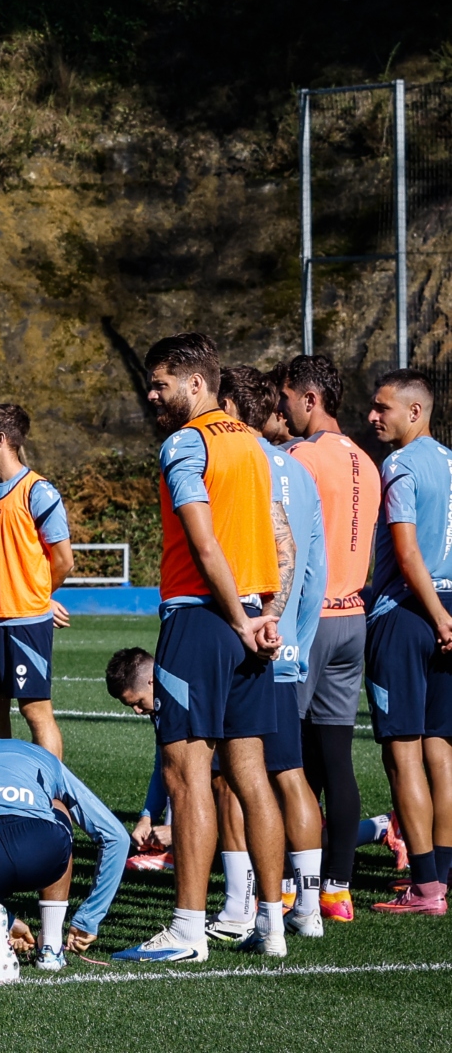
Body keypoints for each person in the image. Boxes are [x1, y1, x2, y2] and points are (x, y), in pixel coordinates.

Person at [113, 333, 290, 963]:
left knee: (186, 778)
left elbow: (205, 544)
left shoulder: (185, 444)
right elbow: (275, 538)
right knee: (251, 777)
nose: (152, 395)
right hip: (249, 624)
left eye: (160, 384)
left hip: (201, 620)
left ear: (196, 383)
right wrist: (265, 616)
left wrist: (240, 620)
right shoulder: (254, 443)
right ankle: (270, 924)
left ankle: (188, 929)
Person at [203, 367, 328, 942]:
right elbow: (312, 560)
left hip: (244, 635)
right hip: (288, 642)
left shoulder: (233, 460)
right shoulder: (297, 469)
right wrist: (295, 634)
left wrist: (256, 624)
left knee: (234, 776)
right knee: (291, 773)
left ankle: (238, 904)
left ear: (227, 403)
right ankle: (307, 907)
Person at [280, 353, 380, 921]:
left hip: (310, 621)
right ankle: (338, 890)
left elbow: (288, 541)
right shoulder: (367, 460)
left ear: (309, 399)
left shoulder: (301, 456)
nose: (284, 409)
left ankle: (294, 886)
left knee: (286, 760)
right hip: (353, 617)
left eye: (289, 399)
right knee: (336, 761)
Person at [0, 737, 128, 982]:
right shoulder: (45, 758)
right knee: (57, 807)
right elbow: (116, 837)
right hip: (41, 847)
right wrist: (89, 918)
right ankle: (51, 948)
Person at [361, 368, 452, 914]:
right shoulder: (451, 461)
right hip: (449, 607)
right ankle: (441, 875)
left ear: (415, 412)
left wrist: (437, 615)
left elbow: (409, 552)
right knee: (442, 750)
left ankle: (423, 888)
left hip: (410, 616)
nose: (374, 416)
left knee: (403, 755)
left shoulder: (399, 464)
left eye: (383, 407)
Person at [0, 403, 74, 758]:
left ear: (0, 440)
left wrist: (38, 596)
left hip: (25, 624)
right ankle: (0, 792)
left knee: (35, 712)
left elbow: (63, 560)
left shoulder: (37, 492)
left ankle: (54, 800)